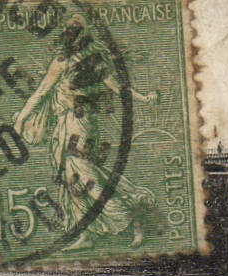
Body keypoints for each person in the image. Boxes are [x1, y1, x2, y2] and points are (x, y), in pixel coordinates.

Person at [11, 16, 159, 250]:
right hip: (81, 125)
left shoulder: (65, 62)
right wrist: (144, 98)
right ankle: (86, 233)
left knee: (88, 179)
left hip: (74, 127)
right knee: (74, 179)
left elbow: (40, 94)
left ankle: (133, 219)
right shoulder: (93, 62)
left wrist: (20, 119)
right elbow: (119, 90)